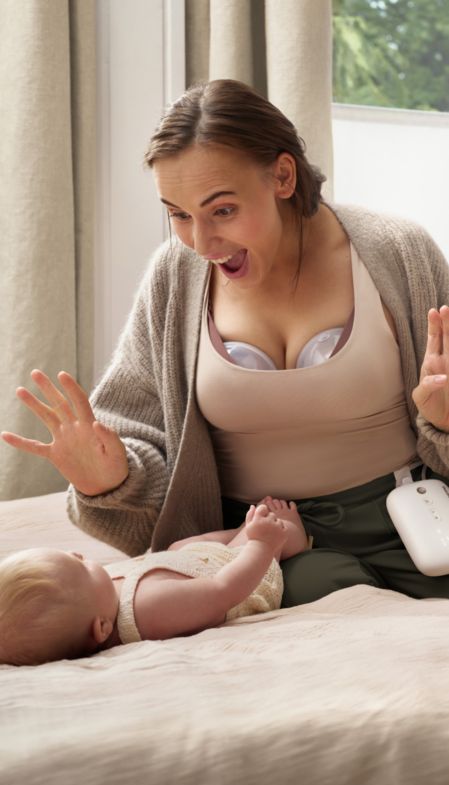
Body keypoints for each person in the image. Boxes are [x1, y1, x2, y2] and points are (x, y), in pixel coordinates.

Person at [2, 78, 449, 606]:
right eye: (178, 214)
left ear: (282, 176)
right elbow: (145, 457)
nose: (201, 241)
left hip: (415, 520)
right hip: (254, 547)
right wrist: (111, 479)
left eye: (223, 210)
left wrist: (443, 421)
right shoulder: (176, 278)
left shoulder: (398, 252)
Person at [0, 498, 308, 665]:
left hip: (189, 562)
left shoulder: (96, 600)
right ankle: (285, 537)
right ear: (102, 628)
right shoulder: (149, 609)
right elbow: (222, 591)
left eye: (70, 555)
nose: (79, 553)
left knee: (177, 547)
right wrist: (261, 546)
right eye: (82, 567)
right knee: (254, 547)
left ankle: (247, 529)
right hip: (239, 576)